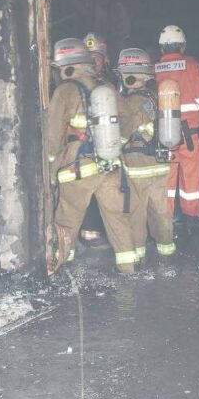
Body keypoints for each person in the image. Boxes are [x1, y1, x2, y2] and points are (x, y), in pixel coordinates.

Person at [46, 38, 137, 274]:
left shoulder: (64, 91)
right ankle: (128, 267)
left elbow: (52, 135)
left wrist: (51, 164)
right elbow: (129, 118)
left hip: (78, 167)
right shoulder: (106, 88)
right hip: (111, 164)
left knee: (66, 220)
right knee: (117, 219)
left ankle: (60, 266)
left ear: (66, 67)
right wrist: (117, 144)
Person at [117, 48, 176, 263]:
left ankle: (139, 257)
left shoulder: (130, 102)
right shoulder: (156, 97)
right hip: (159, 163)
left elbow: (123, 135)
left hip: (137, 166)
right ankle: (166, 253)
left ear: (129, 76)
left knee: (137, 213)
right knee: (161, 212)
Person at [154, 25, 199, 220]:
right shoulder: (192, 66)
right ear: (183, 46)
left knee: (166, 182)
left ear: (162, 48)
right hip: (190, 137)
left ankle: (165, 221)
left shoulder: (155, 69)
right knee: (191, 181)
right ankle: (192, 220)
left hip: (164, 135)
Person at [78, 32, 111, 248]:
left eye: (96, 57)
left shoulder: (110, 83)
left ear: (104, 59)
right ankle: (89, 233)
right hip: (83, 148)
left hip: (108, 146)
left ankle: (104, 231)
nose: (92, 61)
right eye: (88, 57)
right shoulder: (73, 85)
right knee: (86, 192)